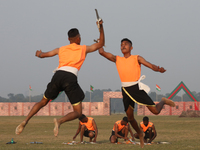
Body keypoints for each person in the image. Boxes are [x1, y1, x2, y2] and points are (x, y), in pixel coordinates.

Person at [15, 19, 105, 137]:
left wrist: (39, 54)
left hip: (57, 75)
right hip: (70, 77)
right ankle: (59, 121)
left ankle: (25, 121)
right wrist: (101, 27)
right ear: (78, 38)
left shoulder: (61, 49)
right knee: (78, 112)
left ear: (69, 39)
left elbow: (43, 55)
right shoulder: (83, 48)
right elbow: (101, 44)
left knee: (43, 101)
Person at [98, 38, 175, 148]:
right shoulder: (117, 59)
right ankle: (140, 133)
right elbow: (101, 52)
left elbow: (150, 65)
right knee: (130, 118)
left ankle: (163, 101)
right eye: (121, 45)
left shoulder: (136, 58)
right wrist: (100, 37)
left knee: (155, 111)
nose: (123, 46)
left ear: (131, 47)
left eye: (125, 44)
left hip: (136, 88)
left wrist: (158, 69)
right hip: (125, 90)